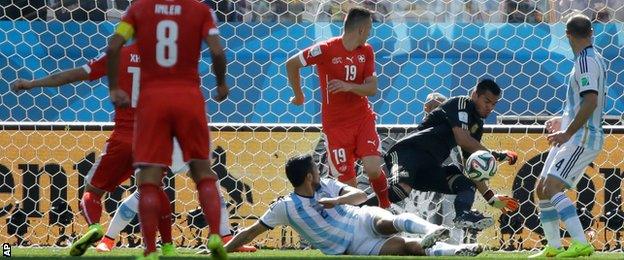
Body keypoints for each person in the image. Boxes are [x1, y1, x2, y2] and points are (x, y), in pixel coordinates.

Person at [106, 0, 229, 257]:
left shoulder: (139, 9)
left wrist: (114, 87)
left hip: (153, 100)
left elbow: (114, 44)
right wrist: (220, 84)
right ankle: (217, 236)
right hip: (188, 96)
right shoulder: (200, 10)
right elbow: (217, 51)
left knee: (149, 181)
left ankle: (150, 250)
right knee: (202, 171)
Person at [224, 154, 484, 256]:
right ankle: (460, 250)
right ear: (307, 177)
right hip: (354, 246)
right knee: (405, 247)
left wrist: (336, 200)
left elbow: (359, 196)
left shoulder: (326, 184)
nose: (320, 170)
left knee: (388, 222)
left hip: (359, 218)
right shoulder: (285, 207)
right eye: (316, 169)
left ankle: (430, 231)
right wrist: (222, 250)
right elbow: (251, 231)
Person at [285, 6, 391, 209]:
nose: (369, 34)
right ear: (361, 30)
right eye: (369, 29)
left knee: (373, 168)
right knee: (347, 184)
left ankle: (386, 206)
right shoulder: (325, 49)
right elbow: (291, 64)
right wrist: (299, 95)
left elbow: (372, 88)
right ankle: (355, 225)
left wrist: (348, 86)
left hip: (362, 119)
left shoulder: (366, 51)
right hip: (335, 127)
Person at [383, 79, 520, 231]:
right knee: (400, 191)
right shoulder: (460, 103)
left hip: (429, 166)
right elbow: (463, 139)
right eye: (487, 101)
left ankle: (463, 215)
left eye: (494, 104)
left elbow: (472, 165)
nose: (490, 108)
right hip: (407, 153)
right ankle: (357, 208)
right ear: (475, 95)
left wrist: (491, 199)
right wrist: (496, 155)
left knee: (466, 183)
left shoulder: (476, 125)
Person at [530, 14, 606, 258]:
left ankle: (581, 243)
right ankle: (553, 246)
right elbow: (583, 102)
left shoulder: (586, 61)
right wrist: (562, 121)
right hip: (574, 133)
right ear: (591, 32)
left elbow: (591, 101)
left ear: (567, 35)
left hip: (583, 137)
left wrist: (567, 131)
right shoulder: (588, 60)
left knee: (553, 186)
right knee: (542, 188)